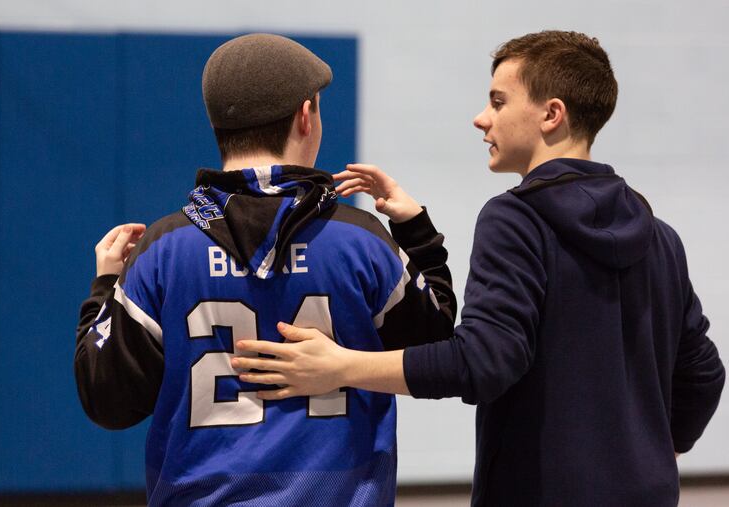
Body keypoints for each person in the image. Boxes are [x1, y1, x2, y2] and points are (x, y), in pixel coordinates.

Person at [232, 30, 726, 506]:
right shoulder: (661, 238)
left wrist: (342, 367)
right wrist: (653, 455)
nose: (480, 118)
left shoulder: (516, 218)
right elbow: (703, 373)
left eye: (498, 101)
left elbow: (485, 359)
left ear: (552, 115)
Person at [74, 33, 456, 506]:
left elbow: (105, 400)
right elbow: (437, 352)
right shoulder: (362, 241)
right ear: (305, 115)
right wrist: (416, 230)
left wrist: (105, 288)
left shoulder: (162, 250)